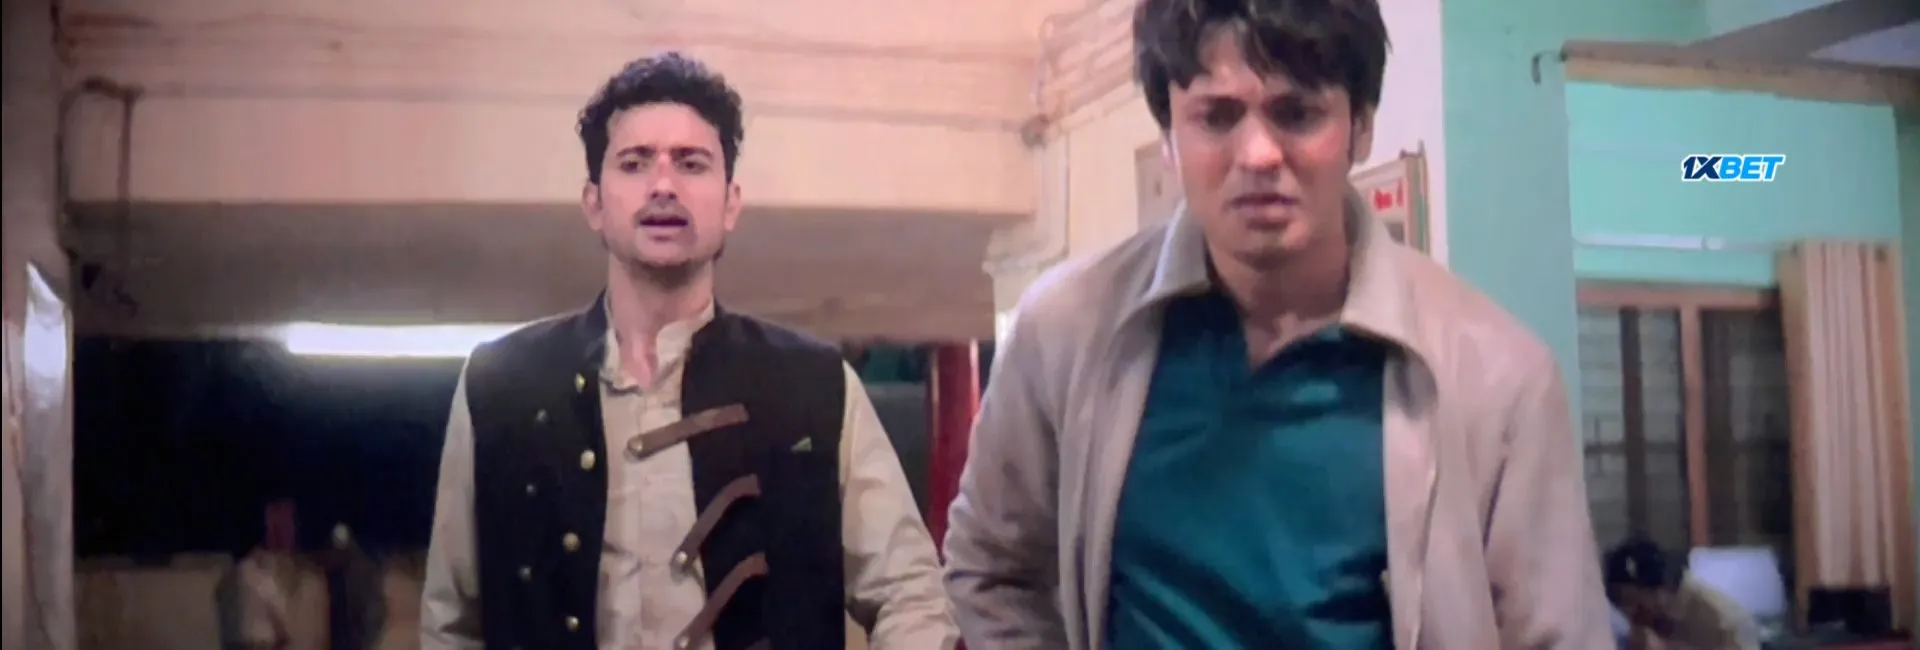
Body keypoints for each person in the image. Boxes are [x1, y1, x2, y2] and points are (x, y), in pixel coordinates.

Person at [941, 0, 1614, 648]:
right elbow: (990, 564)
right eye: (1217, 116)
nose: (1259, 154)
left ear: (1361, 126)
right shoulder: (1067, 331)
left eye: (1297, 113)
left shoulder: (1496, 380)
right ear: (1169, 135)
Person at [420, 52, 955, 650]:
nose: (663, 185)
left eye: (691, 163)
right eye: (634, 162)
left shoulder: (815, 385)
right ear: (594, 203)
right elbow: (451, 623)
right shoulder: (501, 386)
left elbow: (911, 593)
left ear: (730, 203)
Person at [1603, 537, 1760, 650]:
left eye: (1631, 601)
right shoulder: (1628, 623)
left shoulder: (1725, 622)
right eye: (1618, 601)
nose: (1627, 612)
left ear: (1660, 593)